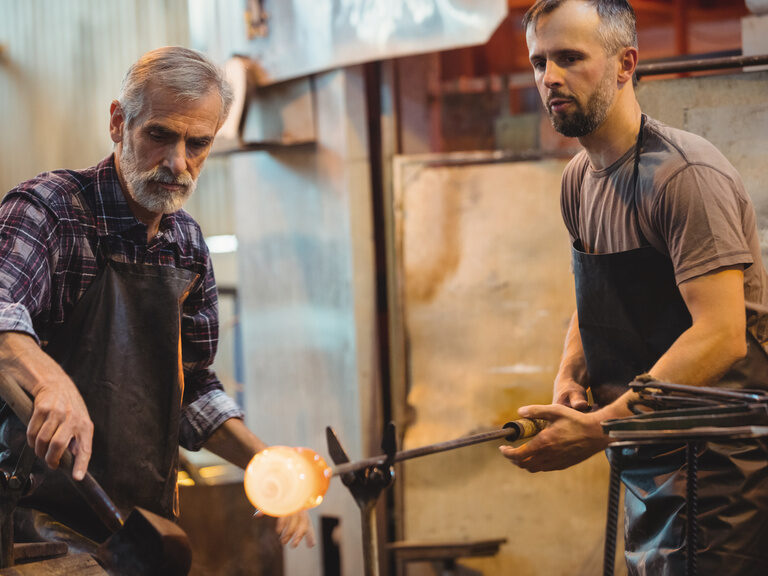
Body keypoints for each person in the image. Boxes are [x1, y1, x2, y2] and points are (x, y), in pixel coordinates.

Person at [0, 46, 314, 549]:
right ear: (118, 122)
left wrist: (266, 462)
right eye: (160, 135)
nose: (177, 162)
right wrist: (51, 383)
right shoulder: (51, 210)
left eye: (198, 144)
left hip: (137, 524)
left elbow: (191, 390)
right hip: (27, 523)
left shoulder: (186, 246)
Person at [498, 0, 768, 573]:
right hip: (643, 452)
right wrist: (571, 373)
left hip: (725, 466)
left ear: (626, 64)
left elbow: (723, 336)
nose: (550, 78)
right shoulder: (578, 180)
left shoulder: (684, 176)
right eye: (539, 61)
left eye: (570, 58)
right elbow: (592, 291)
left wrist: (601, 427)